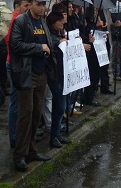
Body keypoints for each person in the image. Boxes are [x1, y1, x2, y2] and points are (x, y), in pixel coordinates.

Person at [9, 0, 53, 172]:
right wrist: (38, 48)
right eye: (38, 4)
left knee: (36, 114)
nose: (42, 7)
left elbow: (48, 43)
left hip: (41, 73)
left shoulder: (43, 21)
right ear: (31, 4)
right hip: (26, 74)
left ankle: (32, 151)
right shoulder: (21, 21)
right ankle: (19, 155)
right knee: (25, 116)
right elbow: (15, 46)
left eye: (43, 4)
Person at [5, 0, 30, 149]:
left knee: (19, 101)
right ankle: (14, 137)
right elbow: (14, 44)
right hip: (15, 63)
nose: (27, 9)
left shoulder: (19, 20)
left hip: (17, 63)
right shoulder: (15, 20)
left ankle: (18, 134)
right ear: (17, 6)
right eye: (25, 6)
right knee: (15, 102)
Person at [45, 11, 72, 148]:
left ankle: (56, 134)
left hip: (63, 74)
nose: (62, 23)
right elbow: (50, 48)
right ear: (52, 22)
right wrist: (58, 43)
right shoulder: (50, 36)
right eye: (59, 21)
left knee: (62, 106)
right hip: (54, 75)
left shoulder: (60, 34)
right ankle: (53, 136)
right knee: (60, 106)